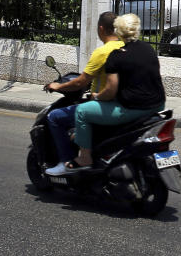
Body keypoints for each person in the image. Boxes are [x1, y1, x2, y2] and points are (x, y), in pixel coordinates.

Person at [64, 13, 166, 170]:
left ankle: (84, 158)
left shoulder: (116, 56)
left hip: (132, 109)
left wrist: (97, 97)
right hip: (157, 105)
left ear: (118, 31)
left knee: (82, 111)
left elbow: (110, 90)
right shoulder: (149, 49)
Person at [43, 11, 122, 176]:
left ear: (101, 28)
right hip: (122, 103)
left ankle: (66, 162)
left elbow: (80, 82)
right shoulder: (126, 47)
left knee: (55, 117)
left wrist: (57, 86)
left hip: (103, 104)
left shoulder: (102, 52)